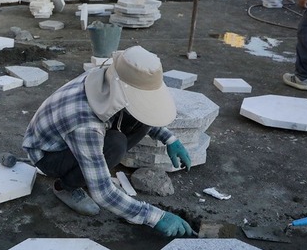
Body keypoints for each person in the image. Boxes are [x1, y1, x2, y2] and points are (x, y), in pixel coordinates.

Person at [22, 46, 195, 238]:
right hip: (49, 154)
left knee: (142, 122)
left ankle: (92, 171)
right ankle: (66, 186)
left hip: (74, 138)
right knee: (115, 145)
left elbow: (142, 110)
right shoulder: (85, 124)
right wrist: (154, 216)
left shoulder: (110, 79)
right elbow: (103, 193)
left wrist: (169, 138)